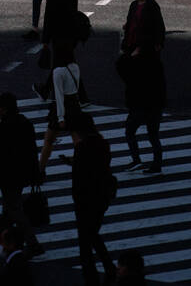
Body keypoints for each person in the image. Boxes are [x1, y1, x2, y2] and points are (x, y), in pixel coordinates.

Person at [0, 92, 43, 257]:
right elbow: (32, 151)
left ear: (4, 109)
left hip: (8, 175)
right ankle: (1, 242)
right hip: (23, 174)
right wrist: (36, 174)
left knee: (14, 210)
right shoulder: (25, 123)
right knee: (8, 210)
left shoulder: (5, 127)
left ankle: (34, 244)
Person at [118, 0, 165, 174]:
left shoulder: (152, 8)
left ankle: (143, 160)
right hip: (152, 102)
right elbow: (130, 24)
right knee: (151, 133)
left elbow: (157, 31)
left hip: (143, 103)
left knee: (135, 130)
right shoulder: (133, 6)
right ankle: (154, 163)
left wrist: (142, 48)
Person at [65, 113, 117, 286]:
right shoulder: (102, 143)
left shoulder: (82, 147)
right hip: (102, 197)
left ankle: (92, 278)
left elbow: (79, 177)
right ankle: (109, 267)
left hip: (86, 200)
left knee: (85, 244)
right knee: (92, 234)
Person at [38, 42, 81, 174]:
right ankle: (81, 166)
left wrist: (60, 117)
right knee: (77, 140)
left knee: (49, 140)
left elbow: (59, 96)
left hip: (62, 107)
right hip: (74, 105)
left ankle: (40, 170)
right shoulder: (75, 67)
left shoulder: (58, 71)